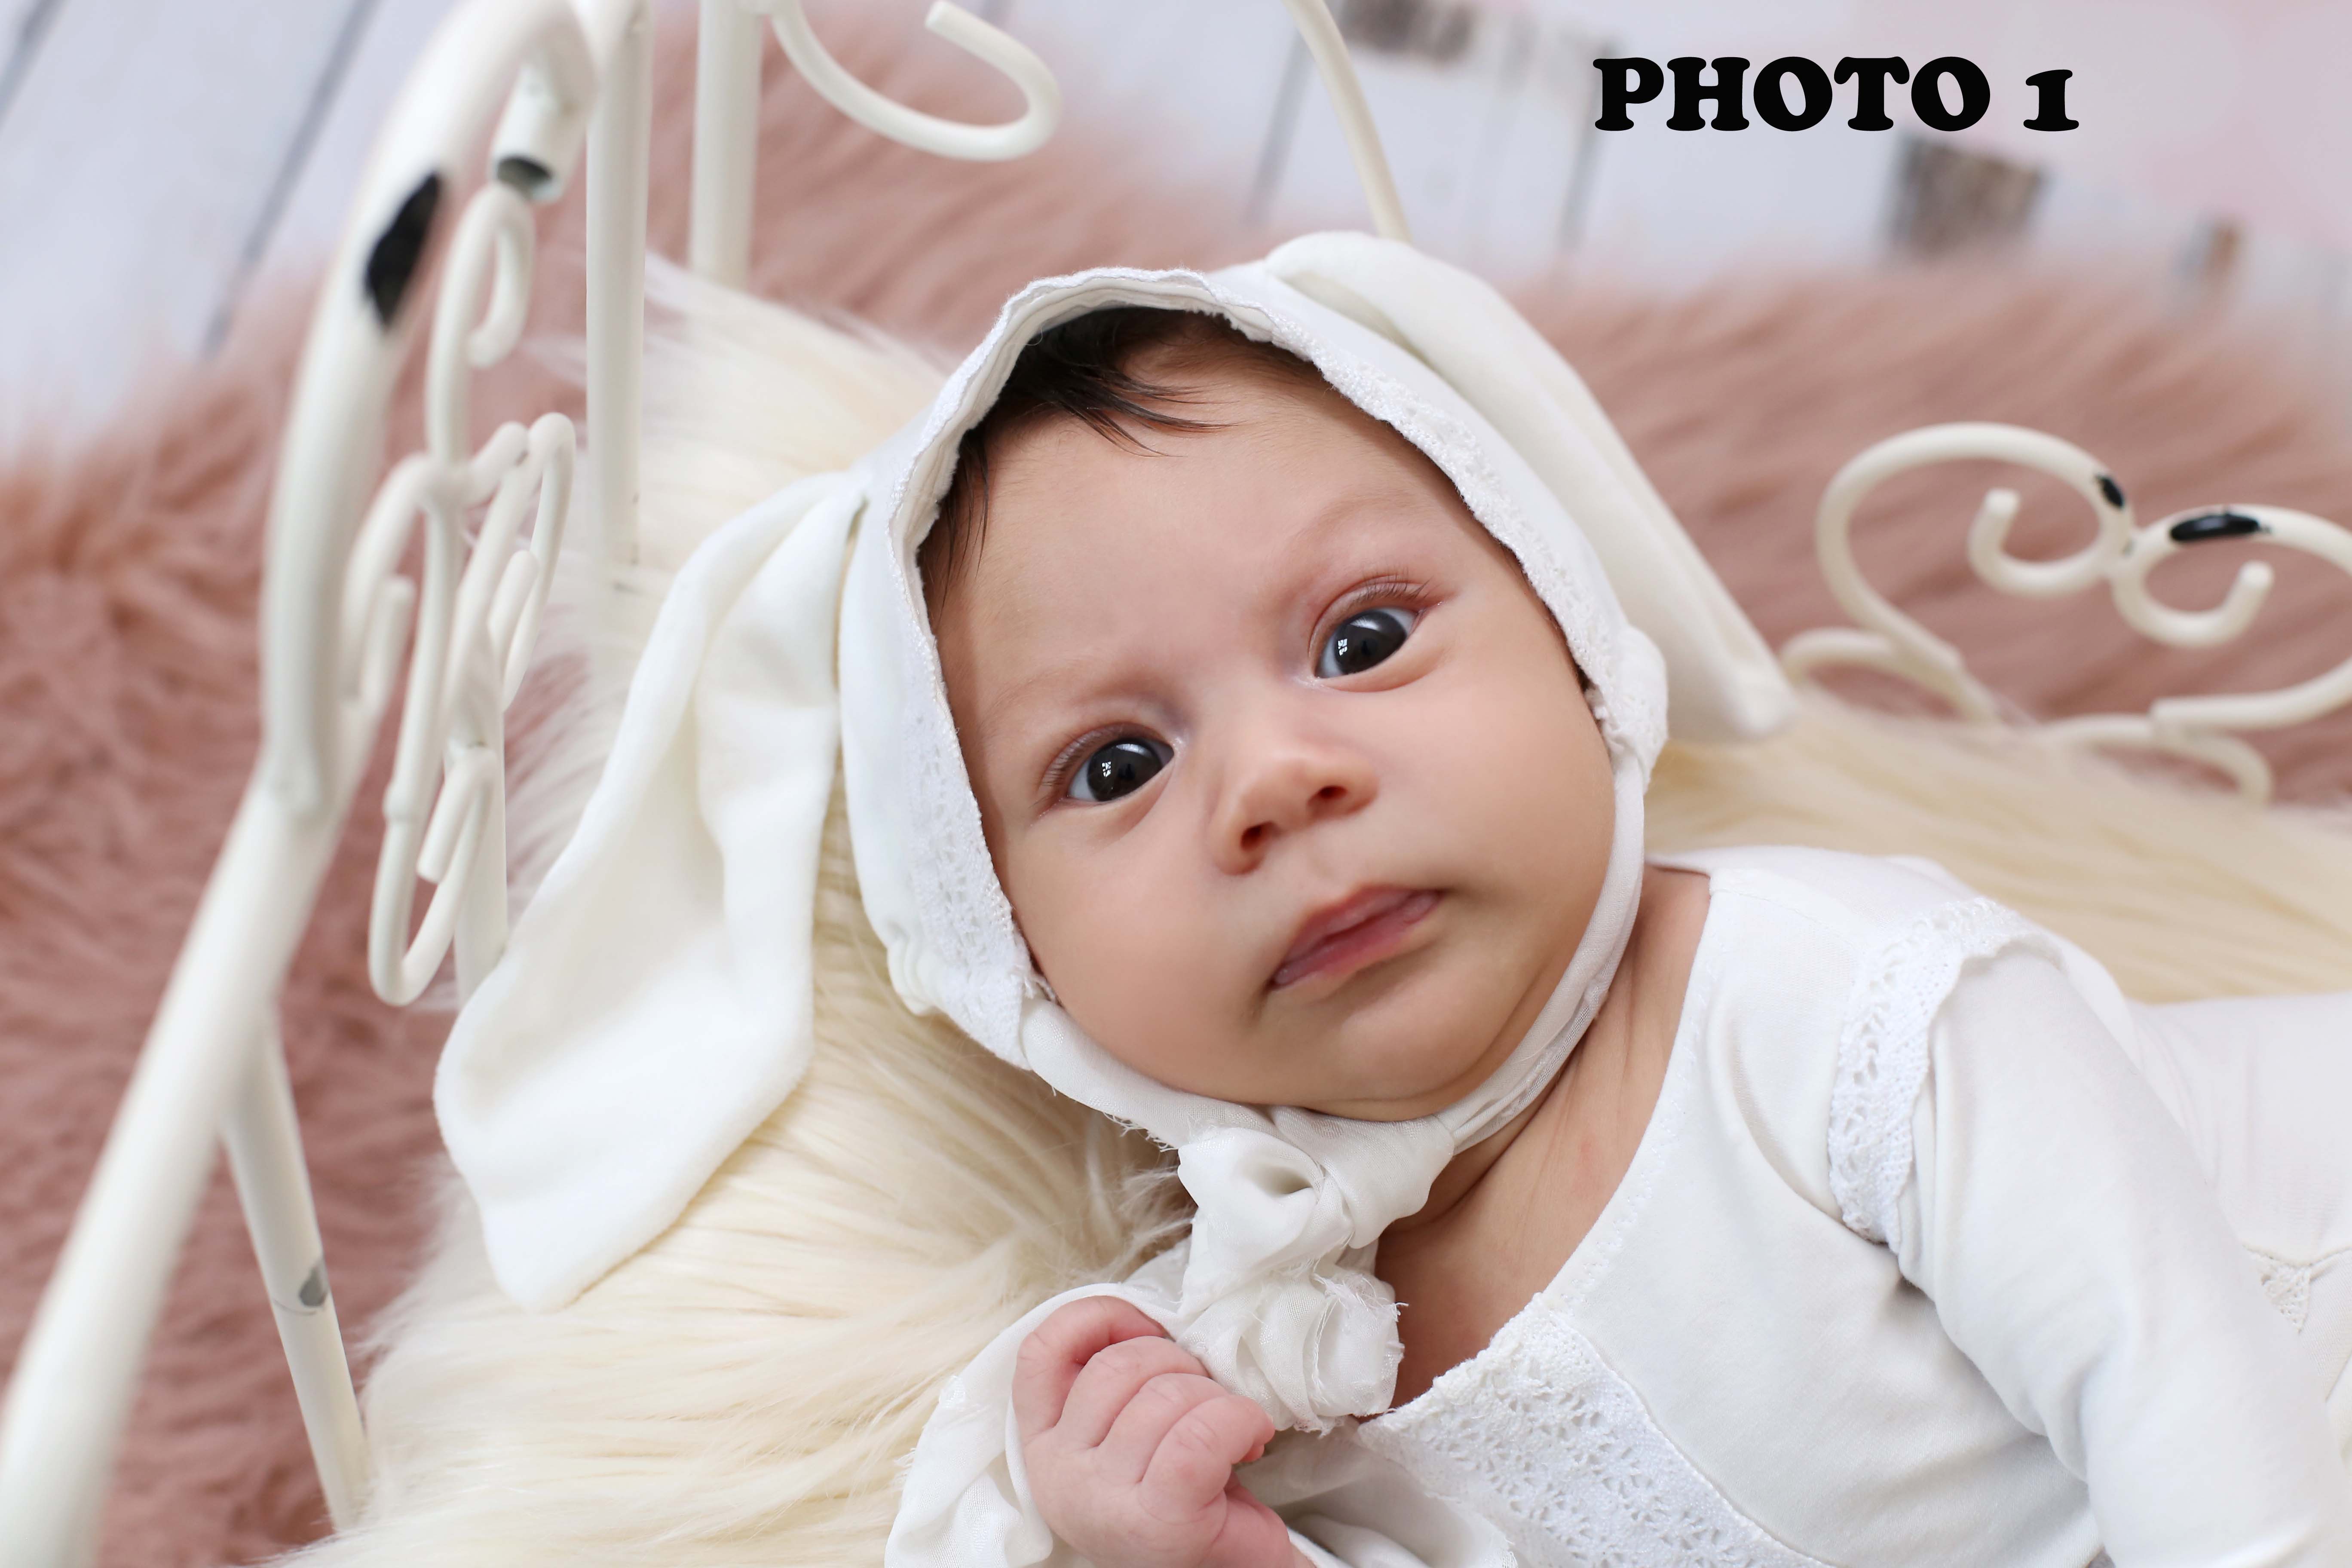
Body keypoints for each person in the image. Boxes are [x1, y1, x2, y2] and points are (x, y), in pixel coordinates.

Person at [911, 303, 2352, 1566]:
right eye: (1118, 766)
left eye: (1363, 642)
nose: (1276, 782)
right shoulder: (1271, 1356)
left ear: (1574, 639)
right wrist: (1220, 1551)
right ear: (1010, 946)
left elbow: (2193, 1406)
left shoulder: (1835, 999)